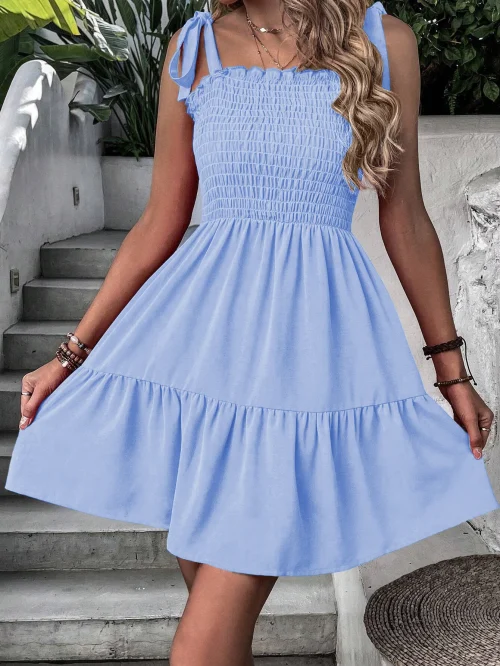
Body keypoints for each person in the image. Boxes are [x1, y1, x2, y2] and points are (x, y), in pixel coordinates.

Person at [6, 1, 499, 664]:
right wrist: (69, 355)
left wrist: (451, 371)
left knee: (203, 642)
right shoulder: (195, 46)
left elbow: (404, 216)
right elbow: (160, 222)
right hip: (199, 356)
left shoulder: (384, 42)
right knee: (217, 625)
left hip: (306, 361)